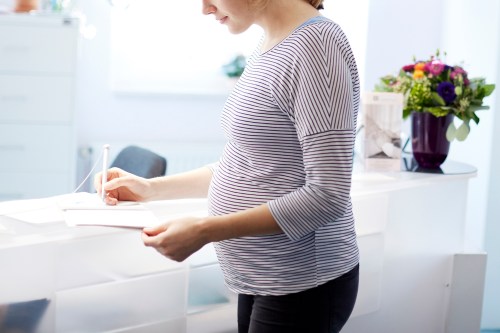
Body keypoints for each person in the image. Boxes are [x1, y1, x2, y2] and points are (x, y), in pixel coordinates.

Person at [94, 0, 360, 332]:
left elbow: (327, 195)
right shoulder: (272, 41)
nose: (205, 8)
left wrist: (206, 230)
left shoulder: (316, 47)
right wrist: (151, 189)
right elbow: (249, 166)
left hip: (302, 281)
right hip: (260, 275)